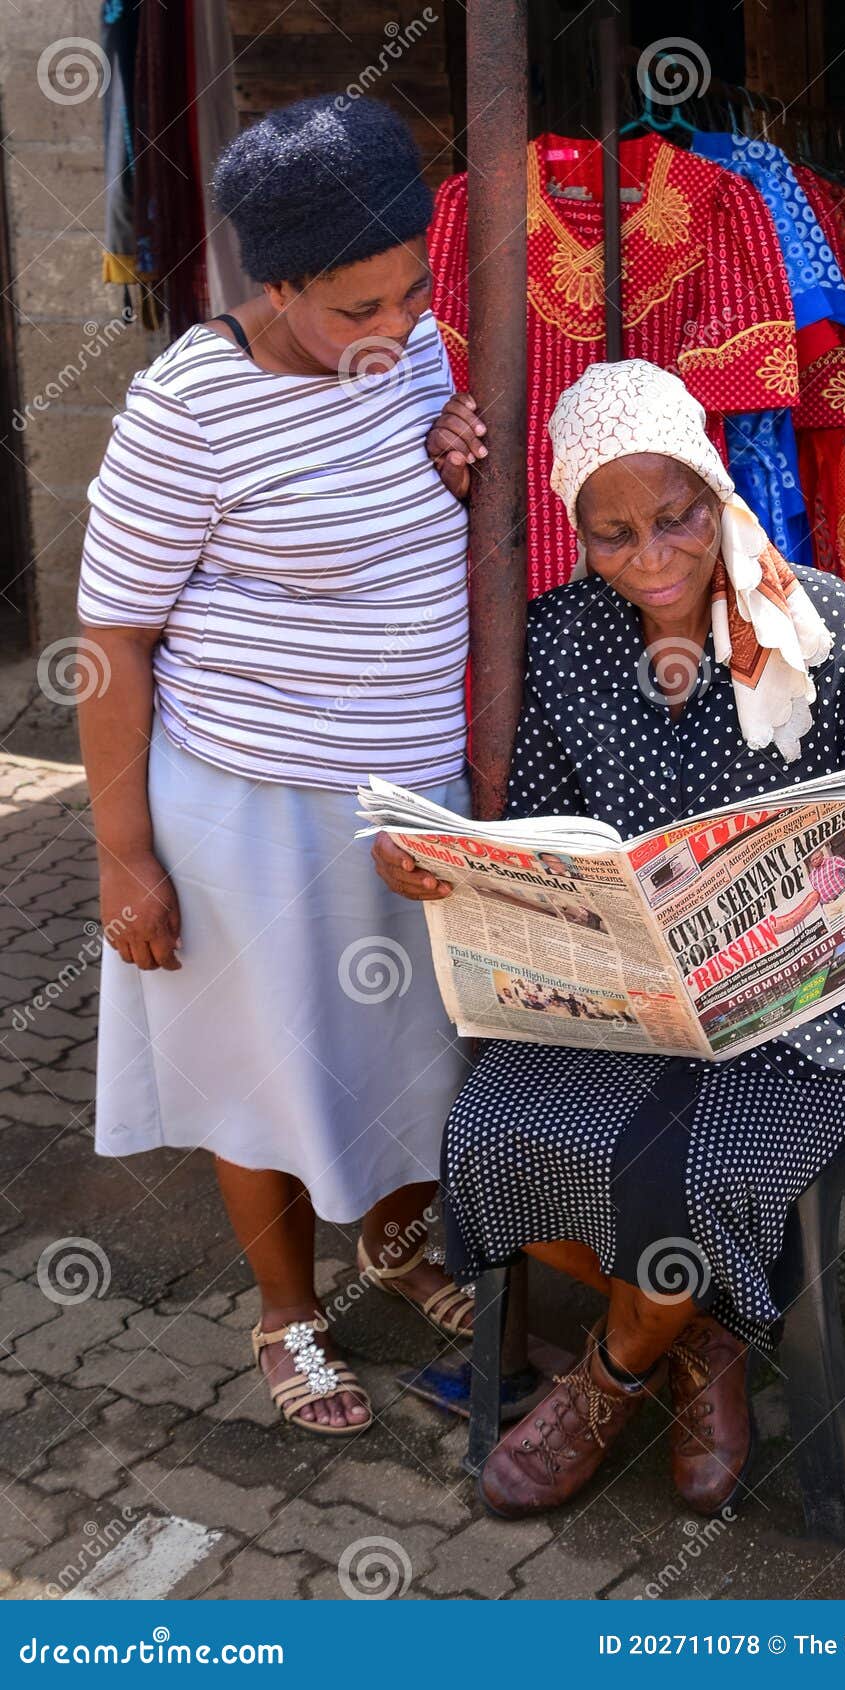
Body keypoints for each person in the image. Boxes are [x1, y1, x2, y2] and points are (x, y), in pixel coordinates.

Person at [373, 359, 845, 1516]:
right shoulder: (559, 643)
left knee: (725, 1170)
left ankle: (604, 1382)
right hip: (630, 997)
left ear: (715, 485)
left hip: (810, 1010)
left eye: (675, 515)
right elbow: (534, 834)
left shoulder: (830, 631)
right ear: (575, 533)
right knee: (492, 1135)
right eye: (612, 533)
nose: (649, 554)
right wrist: (437, 869)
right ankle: (702, 1342)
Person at [76, 96, 487, 1438]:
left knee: (414, 1052)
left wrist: (450, 460)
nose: (396, 329)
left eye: (412, 294)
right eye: (356, 310)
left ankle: (395, 1244)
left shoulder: (418, 352)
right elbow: (115, 644)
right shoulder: (186, 409)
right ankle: (285, 1308)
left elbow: (415, 486)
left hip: (413, 793)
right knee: (264, 1069)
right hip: (250, 812)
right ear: (276, 285)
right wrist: (125, 854)